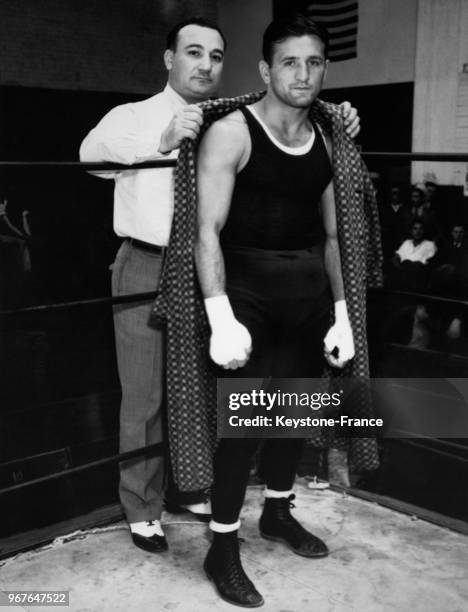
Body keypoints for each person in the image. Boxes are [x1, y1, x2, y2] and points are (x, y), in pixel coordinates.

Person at [79, 17, 361, 555]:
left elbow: (293, 106)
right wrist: (160, 139)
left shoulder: (229, 117)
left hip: (216, 268)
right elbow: (89, 157)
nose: (205, 64)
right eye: (192, 52)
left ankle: (192, 489)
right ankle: (142, 506)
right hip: (149, 261)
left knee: (210, 390)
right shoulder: (132, 116)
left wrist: (341, 114)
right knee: (145, 396)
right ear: (169, 59)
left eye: (214, 55)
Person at [195, 14, 370, 607]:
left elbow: (333, 237)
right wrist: (220, 315)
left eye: (314, 61)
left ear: (326, 68)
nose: (303, 73)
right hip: (246, 298)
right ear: (267, 70)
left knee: (294, 417)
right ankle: (221, 547)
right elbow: (206, 231)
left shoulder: (327, 139)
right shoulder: (233, 132)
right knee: (243, 428)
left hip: (307, 300)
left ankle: (276, 513)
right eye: (289, 62)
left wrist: (343, 312)